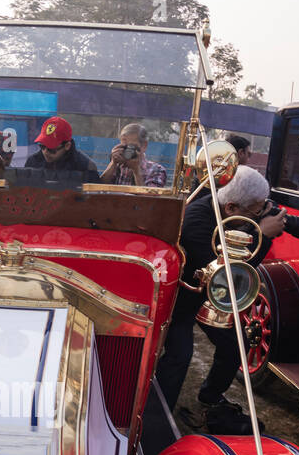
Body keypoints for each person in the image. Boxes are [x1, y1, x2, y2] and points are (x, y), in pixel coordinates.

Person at [154, 165, 285, 434]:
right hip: (180, 300)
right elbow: (227, 277)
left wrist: (259, 226)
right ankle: (158, 419)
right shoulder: (196, 221)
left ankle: (210, 396)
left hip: (204, 298)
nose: (260, 214)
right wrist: (263, 236)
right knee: (180, 355)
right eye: (256, 210)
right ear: (231, 208)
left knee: (235, 342)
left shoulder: (229, 212)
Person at [24, 117, 101, 184]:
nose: (45, 152)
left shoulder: (85, 167)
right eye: (42, 146)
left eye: (51, 149)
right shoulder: (33, 162)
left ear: (67, 146)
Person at [99, 123, 167, 187]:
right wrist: (113, 163)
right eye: (124, 147)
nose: (127, 151)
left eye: (131, 146)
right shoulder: (118, 166)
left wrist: (136, 171)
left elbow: (149, 198)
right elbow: (99, 188)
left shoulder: (157, 170)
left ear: (144, 146)